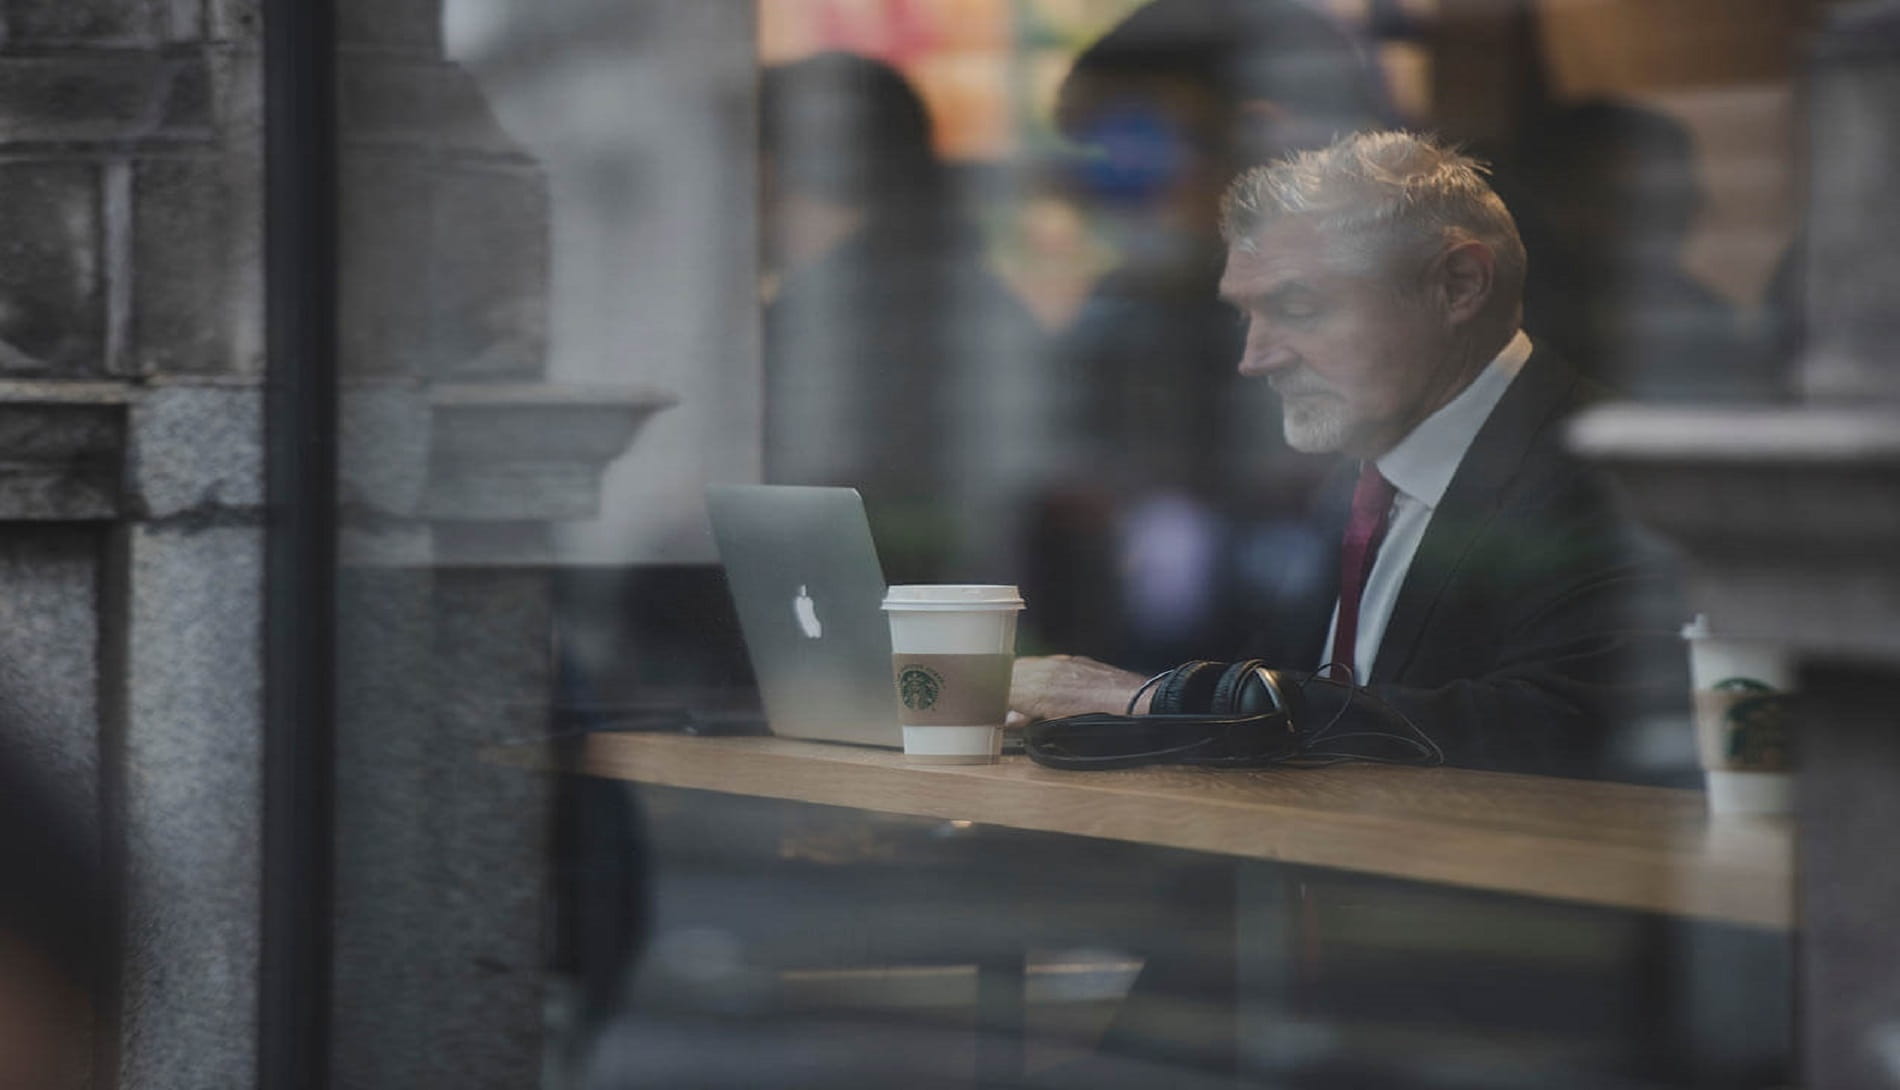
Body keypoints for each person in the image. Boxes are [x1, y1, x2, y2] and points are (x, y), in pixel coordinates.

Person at [1010, 129, 1686, 779]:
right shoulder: (1369, 470)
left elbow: (1548, 731)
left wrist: (1159, 700)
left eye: (1299, 307)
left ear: (1459, 285)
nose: (1254, 359)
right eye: (1247, 314)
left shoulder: (1614, 476)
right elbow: (1305, 693)